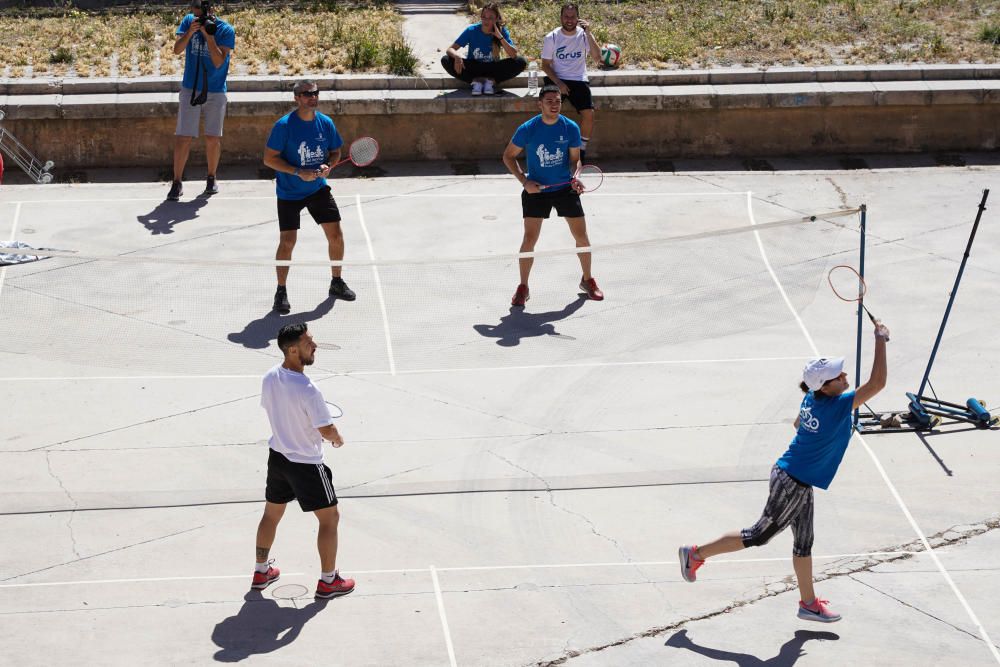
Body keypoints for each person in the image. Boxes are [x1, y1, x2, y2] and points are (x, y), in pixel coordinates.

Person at [678, 319, 892, 623]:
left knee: (804, 543)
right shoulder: (837, 405)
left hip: (797, 479)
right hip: (791, 481)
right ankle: (695, 554)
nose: (845, 375)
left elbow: (797, 424)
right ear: (827, 387)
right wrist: (880, 339)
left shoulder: (813, 397)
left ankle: (808, 604)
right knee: (758, 535)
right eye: (838, 375)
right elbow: (878, 384)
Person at [253, 322, 356, 600]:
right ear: (293, 349)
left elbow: (276, 409)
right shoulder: (309, 389)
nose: (315, 345)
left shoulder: (270, 377)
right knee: (329, 518)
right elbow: (325, 429)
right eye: (309, 342)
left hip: (278, 458)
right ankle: (329, 581)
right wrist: (337, 438)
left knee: (271, 514)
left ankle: (261, 571)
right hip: (307, 465)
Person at [502, 84, 603, 307]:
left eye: (557, 101)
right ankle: (523, 287)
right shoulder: (528, 128)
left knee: (582, 239)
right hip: (536, 190)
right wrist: (525, 181)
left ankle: (587, 280)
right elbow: (508, 157)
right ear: (540, 104)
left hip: (564, 188)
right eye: (549, 101)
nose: (554, 105)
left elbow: (575, 159)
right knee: (529, 239)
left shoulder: (571, 128)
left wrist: (576, 177)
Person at [263, 80, 356, 315]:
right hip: (289, 192)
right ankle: (281, 291)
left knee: (336, 235)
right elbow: (269, 159)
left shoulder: (325, 123)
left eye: (315, 93)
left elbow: (335, 152)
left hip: (317, 188)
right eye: (306, 94)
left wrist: (329, 165)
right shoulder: (284, 126)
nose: (312, 97)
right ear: (296, 98)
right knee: (287, 242)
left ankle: (336, 282)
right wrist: (297, 172)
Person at [168, 0, 235, 201]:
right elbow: (176, 50)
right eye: (193, 9)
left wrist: (209, 37)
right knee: (183, 137)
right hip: (190, 87)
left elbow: (218, 61)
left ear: (210, 9)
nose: (194, 13)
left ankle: (211, 177)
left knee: (213, 138)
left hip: (215, 90)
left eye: (197, 10)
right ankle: (177, 182)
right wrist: (190, 32)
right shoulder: (189, 21)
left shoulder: (224, 29)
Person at [541, 3, 602, 163]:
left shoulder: (583, 35)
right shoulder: (552, 37)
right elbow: (545, 65)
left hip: (578, 79)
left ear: (578, 18)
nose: (569, 20)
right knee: (548, 111)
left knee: (589, 114)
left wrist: (589, 33)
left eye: (573, 17)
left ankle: (581, 150)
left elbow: (597, 58)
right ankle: (550, 148)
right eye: (566, 17)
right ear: (561, 17)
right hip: (557, 78)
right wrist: (559, 83)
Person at [441, 2, 527, 95]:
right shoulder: (472, 30)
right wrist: (457, 56)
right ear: (481, 17)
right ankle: (476, 81)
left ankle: (490, 82)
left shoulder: (502, 31)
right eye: (484, 17)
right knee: (446, 60)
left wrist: (500, 37)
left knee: (521, 61)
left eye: (490, 18)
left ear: (497, 18)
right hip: (474, 67)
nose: (486, 20)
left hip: (493, 68)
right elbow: (450, 49)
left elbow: (514, 55)